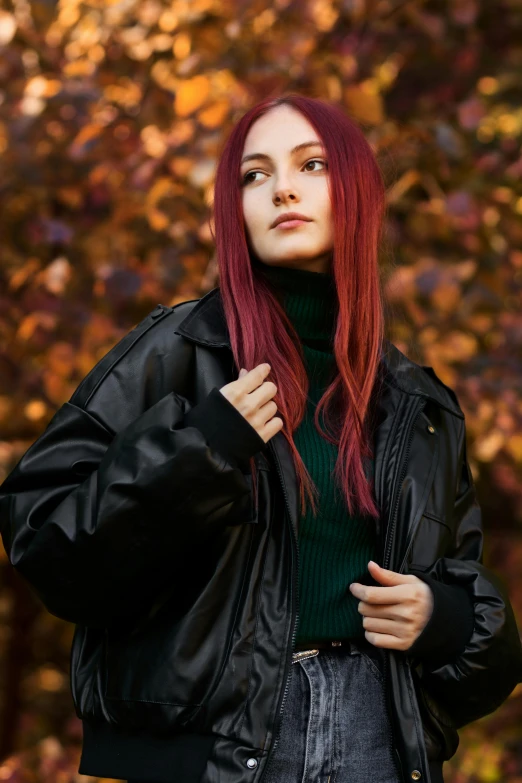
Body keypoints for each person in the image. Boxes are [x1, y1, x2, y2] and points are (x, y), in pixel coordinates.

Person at [1, 93, 521, 783]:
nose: (281, 188)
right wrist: (201, 449)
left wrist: (446, 620)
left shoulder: (418, 405)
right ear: (234, 208)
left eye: (311, 165)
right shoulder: (178, 352)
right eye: (253, 174)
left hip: (377, 735)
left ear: (356, 192)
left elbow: (478, 619)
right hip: (214, 749)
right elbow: (43, 541)